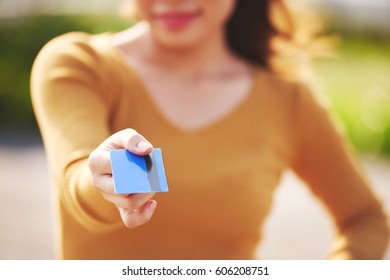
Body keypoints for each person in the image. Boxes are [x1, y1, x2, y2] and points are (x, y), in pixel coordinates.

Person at [31, 0, 389, 260]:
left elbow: (365, 219)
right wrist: (105, 184)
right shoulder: (78, 64)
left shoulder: (288, 98)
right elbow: (76, 177)